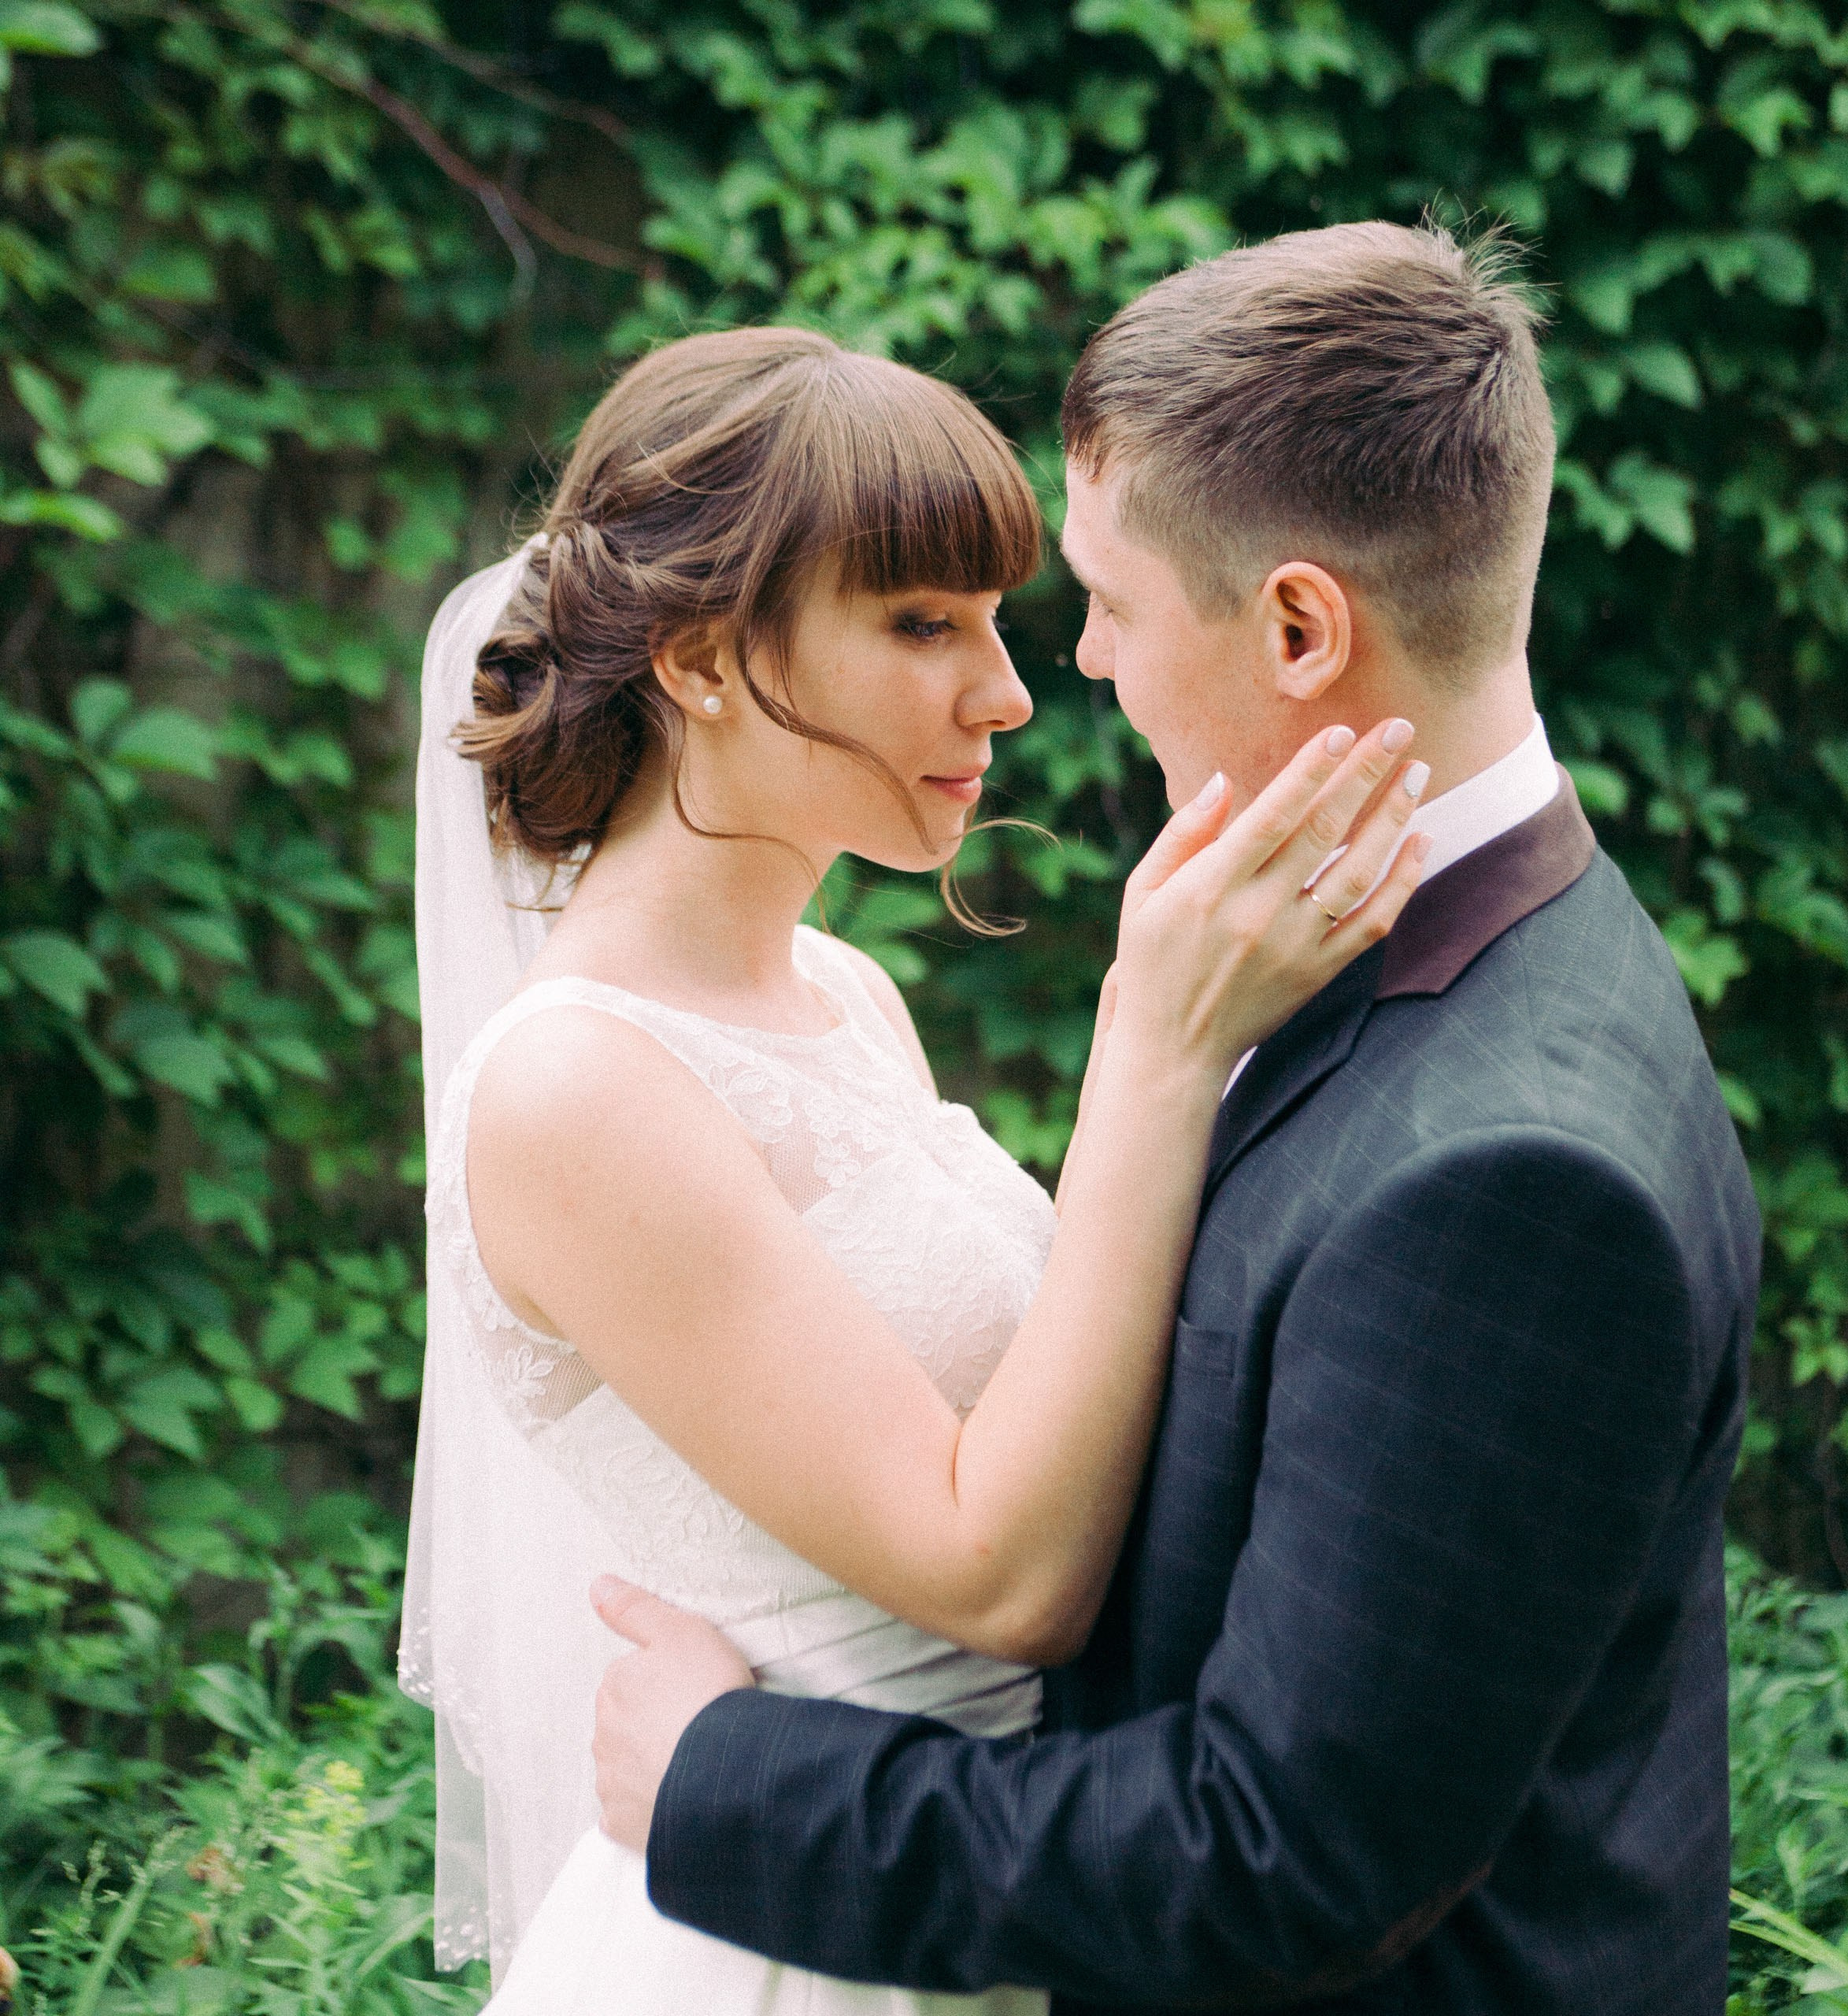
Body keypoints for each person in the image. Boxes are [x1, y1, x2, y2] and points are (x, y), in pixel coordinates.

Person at [591, 223, 1762, 2014]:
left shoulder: (1503, 1176)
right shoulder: (1455, 943)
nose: (1078, 671)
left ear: (1298, 624)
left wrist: (720, 1782)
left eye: (1108, 606)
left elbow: (1274, 1852)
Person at [398, 321, 1430, 2014]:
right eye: (920, 621)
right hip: (782, 1948)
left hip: (963, 1886)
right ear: (707, 657)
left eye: (998, 617)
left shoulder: (845, 996)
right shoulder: (574, 1089)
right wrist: (1155, 1051)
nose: (1007, 689)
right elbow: (993, 1573)